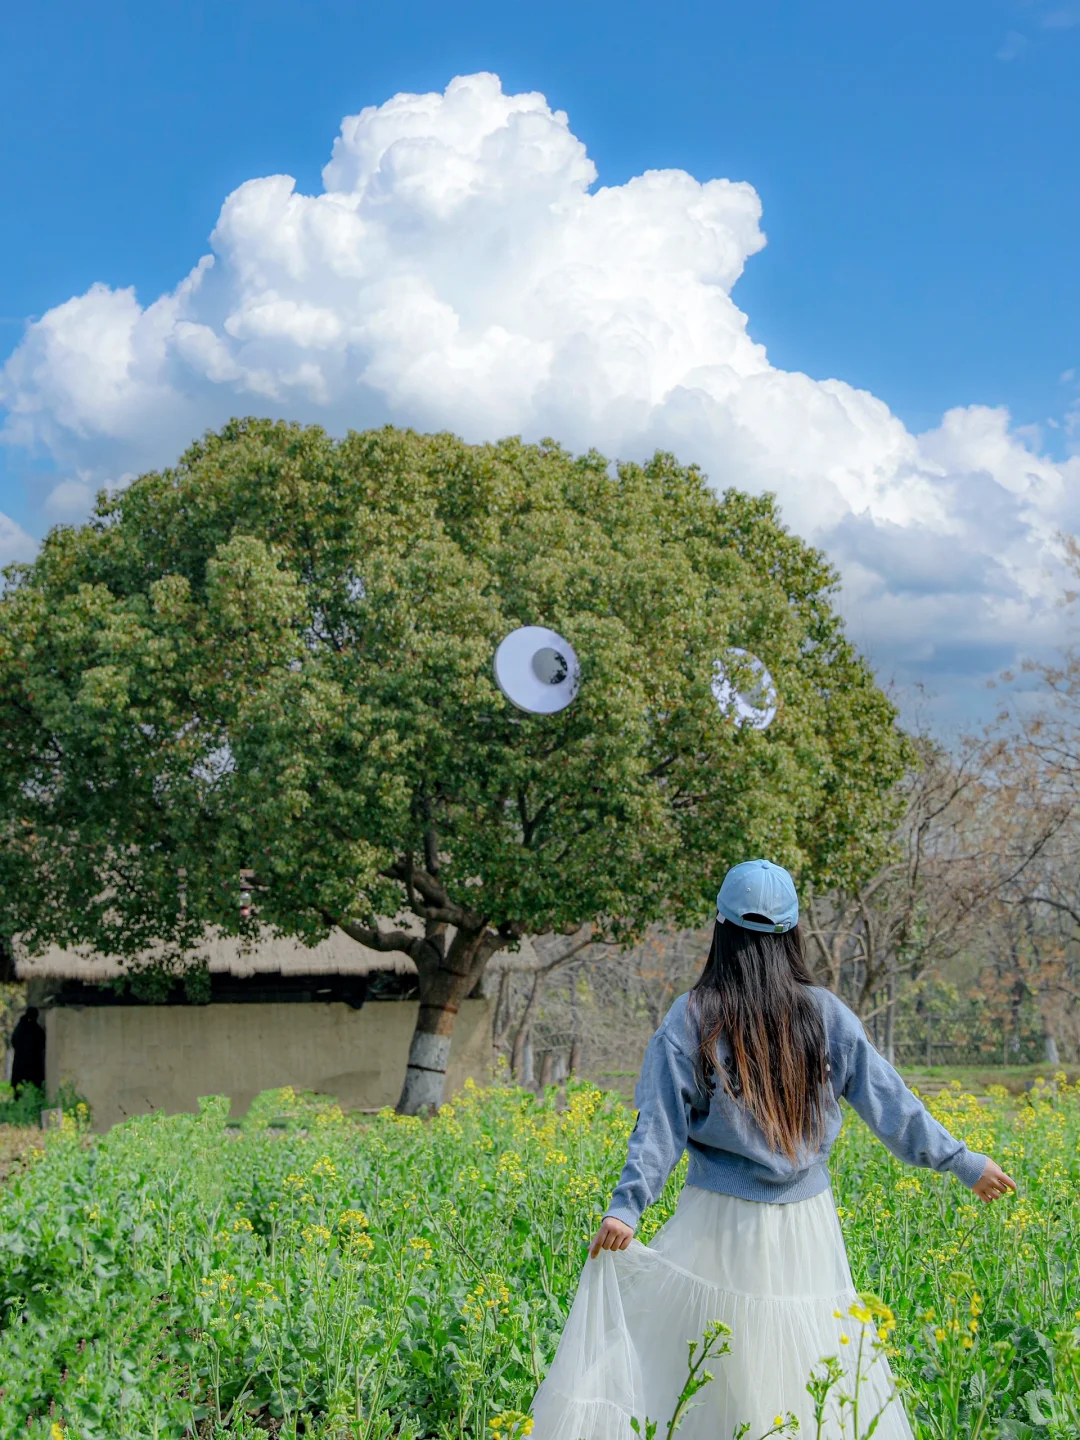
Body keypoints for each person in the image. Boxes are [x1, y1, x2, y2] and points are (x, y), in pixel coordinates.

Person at [530, 860, 1016, 1440]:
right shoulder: (826, 1015)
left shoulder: (692, 1017)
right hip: (807, 1231)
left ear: (721, 928)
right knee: (811, 1374)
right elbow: (894, 1106)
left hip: (717, 1223)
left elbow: (658, 1126)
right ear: (792, 934)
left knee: (705, 1373)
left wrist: (626, 1208)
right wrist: (964, 1163)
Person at [10, 1005, 46, 1096]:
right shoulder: (36, 1029)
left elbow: (13, 1041)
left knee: (19, 1091)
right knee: (34, 1091)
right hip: (33, 1066)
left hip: (19, 1064)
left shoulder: (19, 1027)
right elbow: (41, 1044)